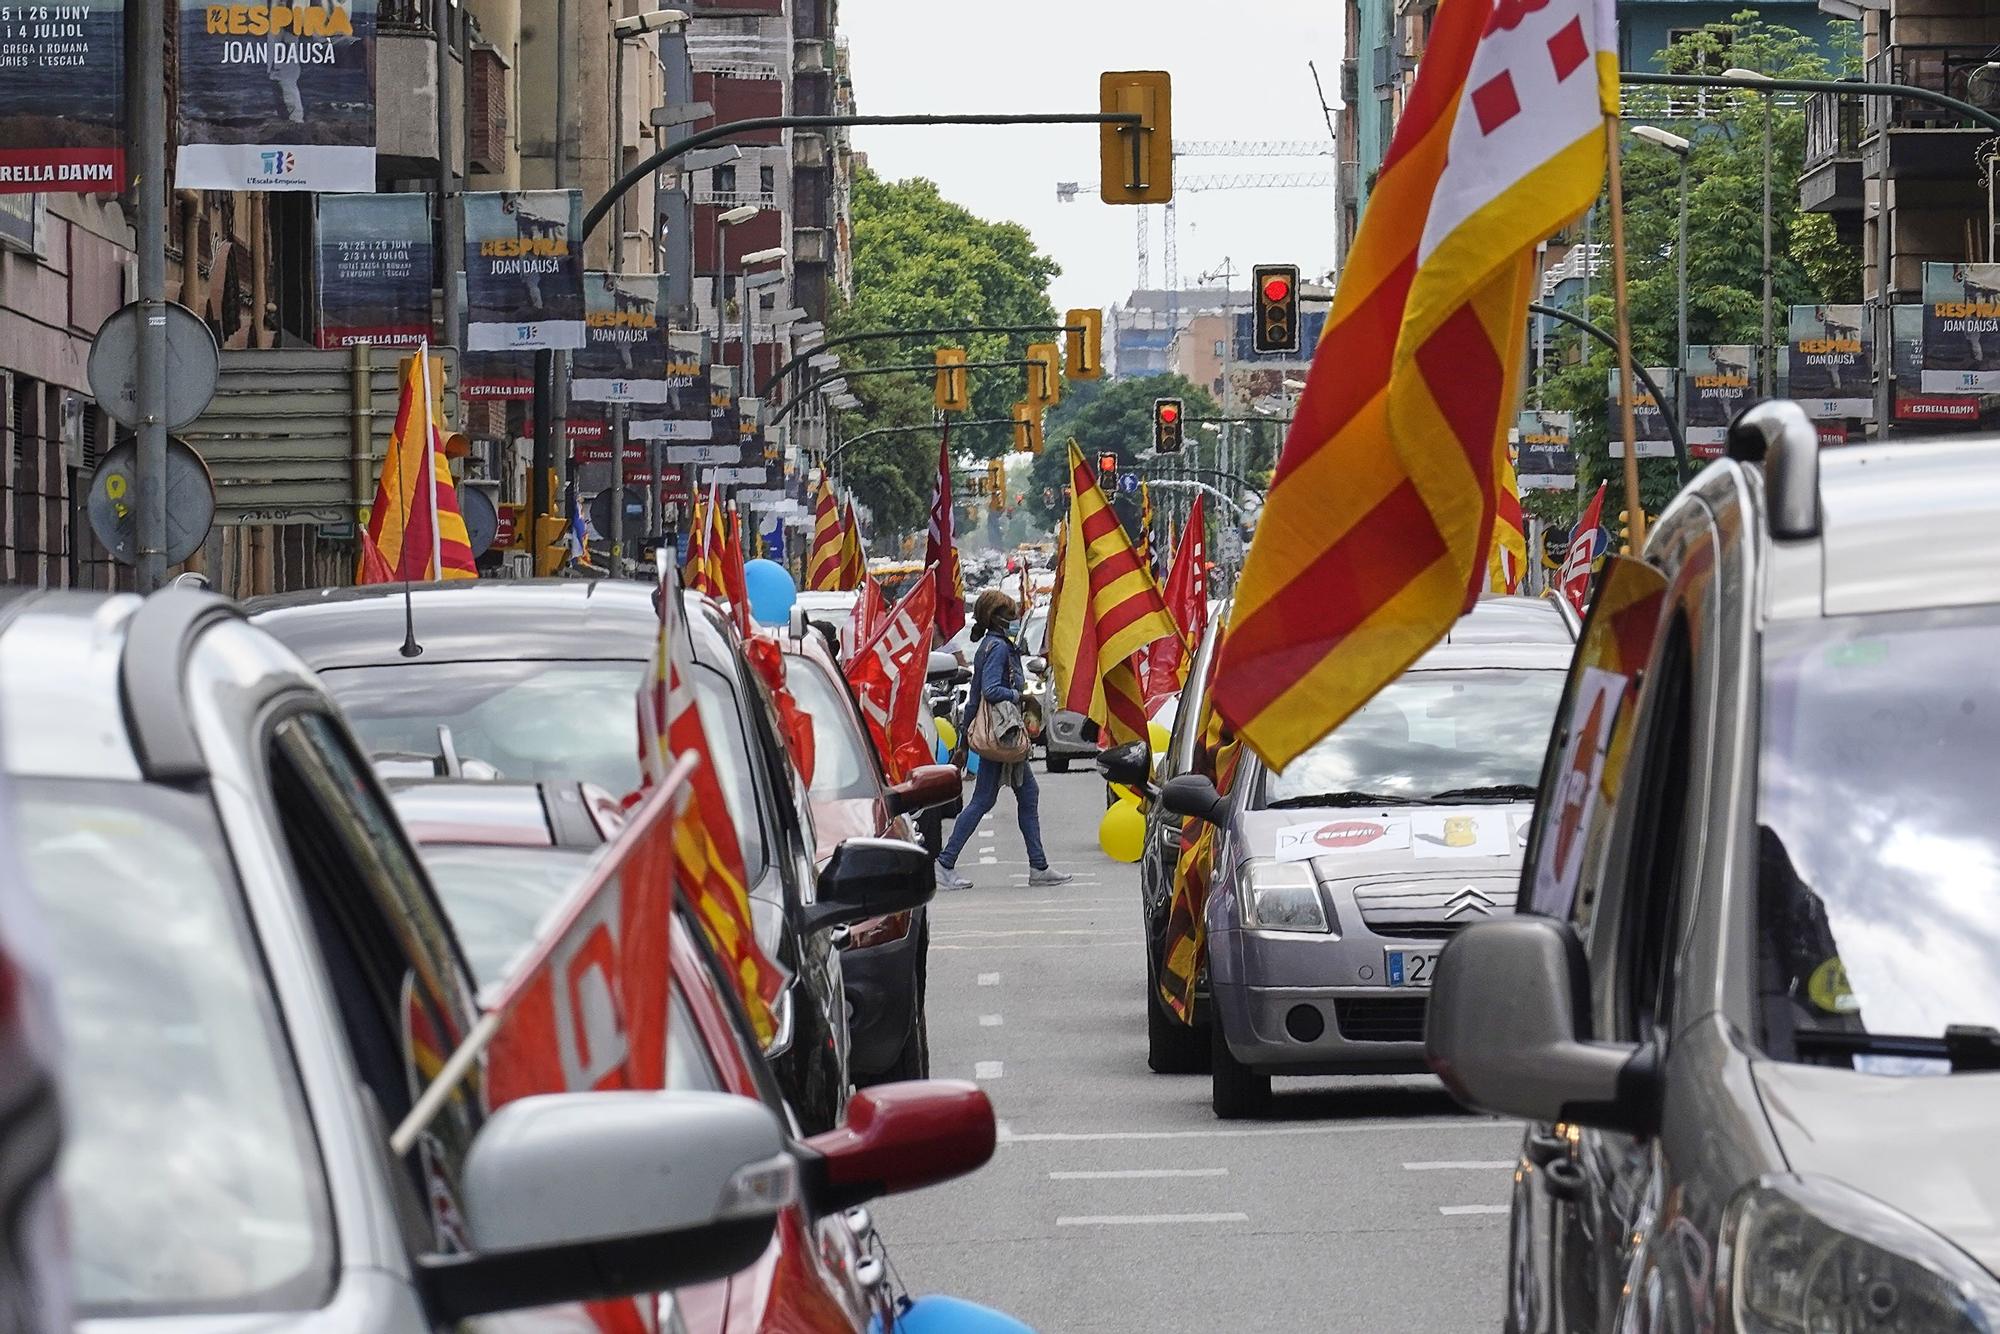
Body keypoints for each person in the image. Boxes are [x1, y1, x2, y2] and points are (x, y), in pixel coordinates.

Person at [936, 590, 1072, 890]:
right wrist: (1019, 696)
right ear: (995, 618)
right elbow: (991, 690)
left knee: (1023, 795)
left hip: (999, 736)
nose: (1014, 621)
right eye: (1010, 617)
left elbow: (973, 697)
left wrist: (965, 736)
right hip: (1003, 736)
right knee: (984, 799)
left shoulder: (988, 646)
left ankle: (1038, 866)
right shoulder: (998, 648)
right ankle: (945, 863)